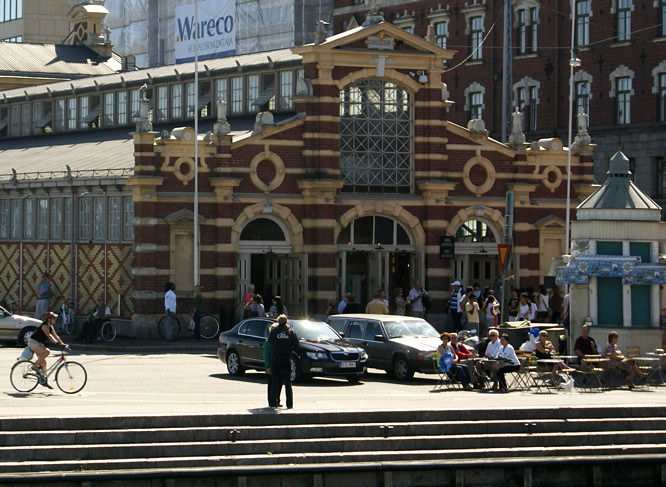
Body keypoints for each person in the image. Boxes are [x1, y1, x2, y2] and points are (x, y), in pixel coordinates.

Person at [27, 311, 66, 389]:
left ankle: (44, 381)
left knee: (44, 362)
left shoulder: (50, 327)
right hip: (33, 342)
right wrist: (56, 343)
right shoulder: (44, 326)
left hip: (39, 344)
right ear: (49, 319)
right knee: (46, 352)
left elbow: (56, 336)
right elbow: (49, 336)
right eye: (53, 318)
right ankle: (35, 366)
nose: (54, 320)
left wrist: (63, 344)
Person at [269, 314, 299, 408]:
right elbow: (296, 345)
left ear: (278, 322)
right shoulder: (291, 332)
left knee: (275, 381)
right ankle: (289, 404)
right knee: (287, 383)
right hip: (286, 359)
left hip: (276, 358)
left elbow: (270, 341)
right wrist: (289, 349)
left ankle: (273, 403)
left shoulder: (274, 331)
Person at [263, 322, 280, 407]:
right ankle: (271, 401)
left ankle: (277, 400)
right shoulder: (268, 342)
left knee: (279, 384)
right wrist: (267, 366)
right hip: (270, 366)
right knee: (271, 384)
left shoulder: (279, 341)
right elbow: (266, 355)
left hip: (278, 366)